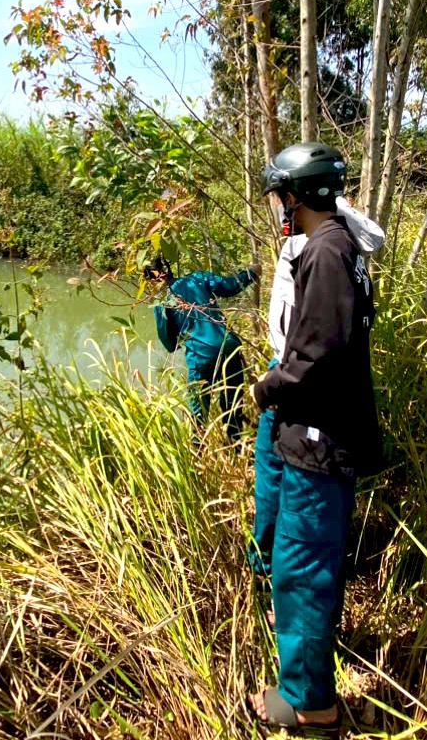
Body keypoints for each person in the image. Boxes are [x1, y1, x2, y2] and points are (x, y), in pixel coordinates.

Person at [246, 142, 383, 731]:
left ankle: (310, 703)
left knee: (304, 569)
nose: (279, 204)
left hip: (319, 436)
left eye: (281, 194)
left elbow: (317, 353)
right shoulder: (338, 246)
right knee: (301, 560)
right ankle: (305, 667)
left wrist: (268, 387)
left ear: (295, 196)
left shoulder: (327, 252)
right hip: (313, 430)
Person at [145, 256, 258, 442]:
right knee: (233, 404)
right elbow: (231, 286)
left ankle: (198, 458)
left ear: (152, 279)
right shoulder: (197, 278)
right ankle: (237, 448)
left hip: (202, 355)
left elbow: (169, 344)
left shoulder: (162, 301)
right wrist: (252, 272)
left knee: (199, 414)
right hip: (229, 346)